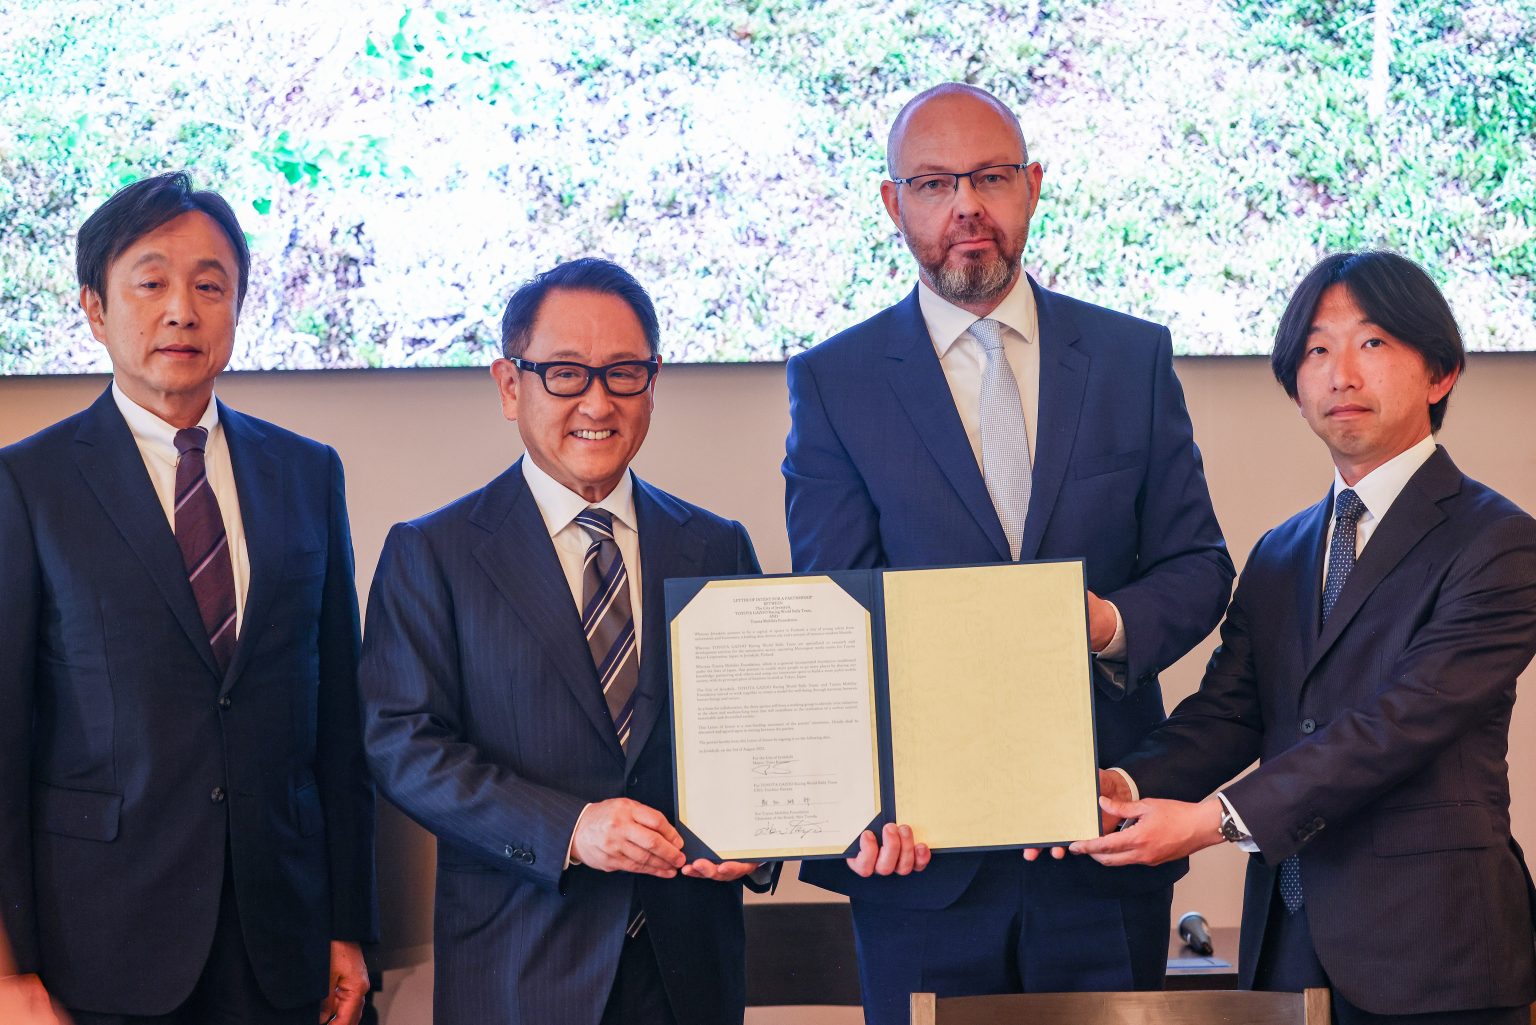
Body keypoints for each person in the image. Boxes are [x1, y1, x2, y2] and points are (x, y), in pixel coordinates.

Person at [781, 82, 1234, 1023]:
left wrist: (1106, 623)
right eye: (934, 183)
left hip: (1102, 842)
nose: (966, 206)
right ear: (893, 202)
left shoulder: (1131, 358)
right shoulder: (834, 381)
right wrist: (866, 808)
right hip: (921, 862)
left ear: (1032, 185)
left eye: (990, 177)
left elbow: (1198, 565)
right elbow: (834, 614)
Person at [1072, 250, 1536, 1024]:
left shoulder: (1499, 542)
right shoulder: (1282, 551)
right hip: (1287, 947)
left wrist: (1210, 819)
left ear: (1441, 372)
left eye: (1373, 342)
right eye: (1317, 350)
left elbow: (1395, 727)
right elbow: (1230, 712)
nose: (1340, 374)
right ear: (1295, 389)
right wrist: (1123, 782)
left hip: (1436, 952)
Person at [0, 172, 376, 1025]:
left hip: (280, 943)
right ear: (95, 308)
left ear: (238, 307)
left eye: (210, 286)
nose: (182, 310)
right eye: (151, 282)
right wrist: (8, 967)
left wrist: (348, 923)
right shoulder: (29, 484)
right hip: (98, 946)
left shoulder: (307, 473)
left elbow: (338, 727)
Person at [360, 258, 773, 1025]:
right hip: (521, 970)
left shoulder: (717, 545)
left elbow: (762, 732)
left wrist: (766, 834)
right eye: (564, 373)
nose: (597, 400)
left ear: (653, 383)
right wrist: (571, 830)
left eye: (624, 373)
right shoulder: (435, 552)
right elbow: (403, 747)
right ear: (509, 385)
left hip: (689, 975)